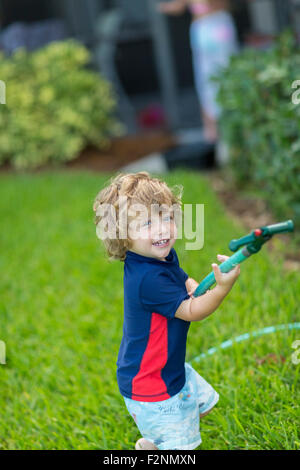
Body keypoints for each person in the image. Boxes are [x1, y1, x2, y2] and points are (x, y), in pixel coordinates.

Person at [93, 171, 241, 450]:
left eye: (166, 217)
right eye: (148, 222)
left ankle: (153, 444)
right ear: (123, 236)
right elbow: (192, 311)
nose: (162, 229)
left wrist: (196, 285)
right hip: (152, 386)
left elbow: (181, 278)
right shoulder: (147, 279)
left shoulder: (158, 256)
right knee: (183, 447)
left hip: (167, 369)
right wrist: (220, 289)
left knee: (203, 407)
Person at [157, 0, 239, 142]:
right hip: (217, 27)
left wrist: (163, 7)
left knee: (207, 81)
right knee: (226, 76)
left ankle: (213, 130)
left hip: (206, 28)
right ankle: (223, 127)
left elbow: (178, 7)